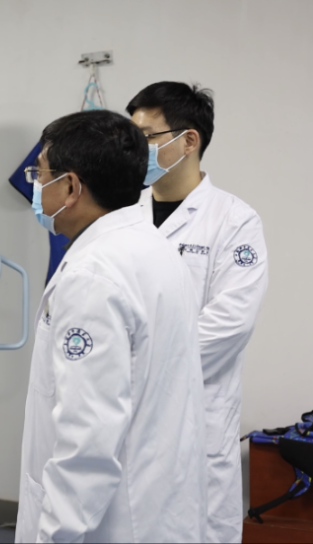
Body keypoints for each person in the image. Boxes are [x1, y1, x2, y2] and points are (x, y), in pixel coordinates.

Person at [16, 110, 207, 543]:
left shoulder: (93, 276)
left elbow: (87, 437)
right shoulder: (151, 247)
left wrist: (53, 535)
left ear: (70, 187)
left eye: (39, 174)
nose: (35, 185)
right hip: (157, 503)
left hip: (114, 522)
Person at [127, 82, 268, 543]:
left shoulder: (234, 220)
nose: (136, 149)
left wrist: (138, 362)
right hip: (124, 411)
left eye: (147, 137)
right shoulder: (122, 214)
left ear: (189, 140)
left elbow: (230, 323)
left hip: (194, 414)